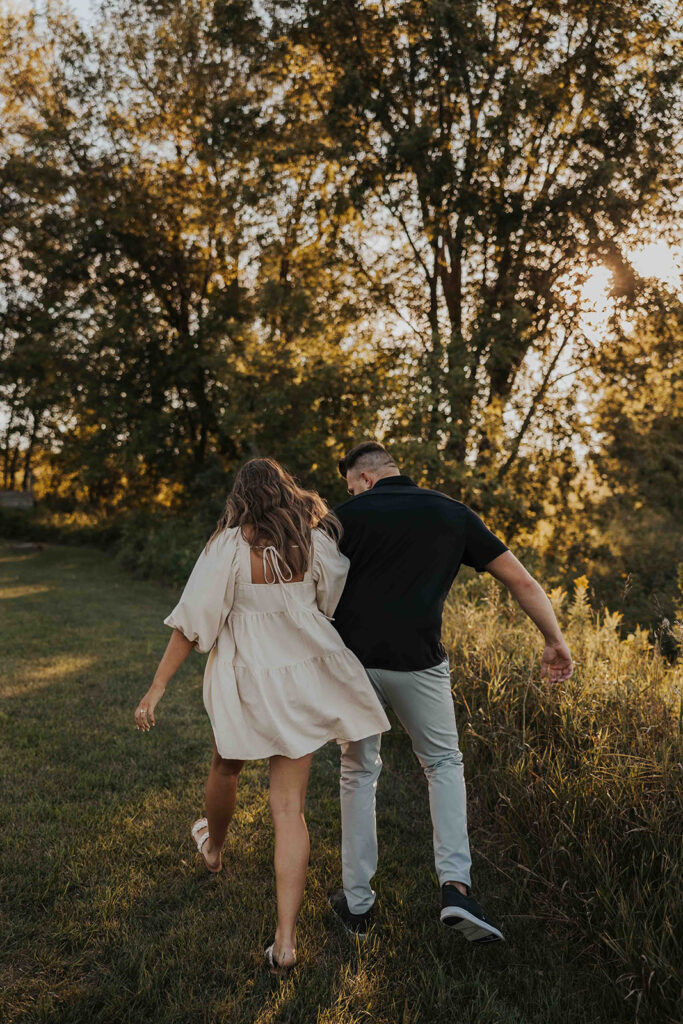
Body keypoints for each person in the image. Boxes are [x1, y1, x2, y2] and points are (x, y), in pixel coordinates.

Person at [133, 458, 390, 973]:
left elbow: (191, 623)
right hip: (303, 679)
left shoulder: (228, 546)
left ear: (240, 497)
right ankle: (287, 942)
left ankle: (214, 851)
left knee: (225, 766)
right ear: (286, 491)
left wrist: (156, 688)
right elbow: (330, 599)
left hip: (246, 678)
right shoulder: (313, 542)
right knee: (288, 808)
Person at [327, 441, 573, 944]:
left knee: (357, 769)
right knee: (442, 764)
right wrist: (554, 639)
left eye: (351, 484)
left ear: (365, 479)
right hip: (419, 660)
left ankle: (356, 903)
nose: (350, 492)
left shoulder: (342, 517)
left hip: (351, 664)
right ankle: (456, 889)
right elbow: (521, 581)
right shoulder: (452, 513)